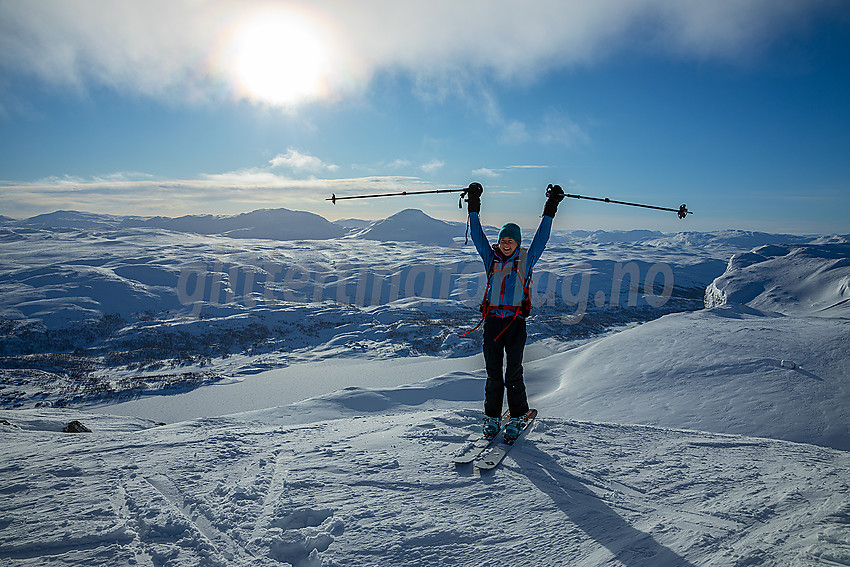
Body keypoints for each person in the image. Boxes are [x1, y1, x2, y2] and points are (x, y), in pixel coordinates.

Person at [463, 182, 564, 440]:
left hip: (516, 324)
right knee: (493, 374)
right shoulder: (491, 259)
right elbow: (477, 236)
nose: (506, 244)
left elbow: (542, 237)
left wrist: (551, 206)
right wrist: (474, 205)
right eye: (503, 240)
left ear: (517, 243)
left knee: (513, 373)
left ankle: (518, 416)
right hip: (493, 324)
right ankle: (492, 417)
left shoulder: (526, 260)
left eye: (511, 241)